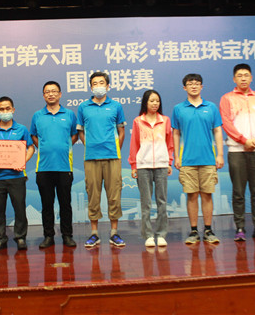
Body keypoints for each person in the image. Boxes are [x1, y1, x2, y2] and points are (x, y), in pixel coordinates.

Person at [219, 64, 255, 241]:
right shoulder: (227, 98)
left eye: (246, 75)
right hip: (237, 151)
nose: (243, 78)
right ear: (234, 79)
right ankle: (240, 228)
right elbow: (226, 123)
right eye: (240, 75)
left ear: (251, 78)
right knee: (238, 192)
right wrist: (243, 140)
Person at [172, 74, 224, 245]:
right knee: (192, 196)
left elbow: (217, 131)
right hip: (187, 160)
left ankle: (208, 230)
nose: (194, 86)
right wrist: (176, 156)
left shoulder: (211, 107)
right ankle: (193, 230)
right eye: (190, 84)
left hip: (208, 159)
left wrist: (220, 154)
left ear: (202, 87)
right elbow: (176, 133)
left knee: (207, 195)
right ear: (184, 87)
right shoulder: (179, 109)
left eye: (197, 83)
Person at [77, 72, 127, 248]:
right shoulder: (83, 107)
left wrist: (115, 149)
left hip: (113, 157)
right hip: (91, 158)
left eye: (102, 83)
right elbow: (80, 131)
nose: (98, 86)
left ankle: (114, 233)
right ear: (91, 87)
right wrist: (90, 145)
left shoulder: (116, 106)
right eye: (95, 83)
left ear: (108, 86)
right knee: (93, 194)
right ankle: (94, 233)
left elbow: (121, 131)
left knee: (114, 195)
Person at [30, 81, 78, 249]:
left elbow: (74, 135)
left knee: (65, 204)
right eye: (47, 92)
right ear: (44, 95)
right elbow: (33, 136)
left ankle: (67, 235)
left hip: (64, 167)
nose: (51, 94)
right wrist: (44, 148)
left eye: (54, 91)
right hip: (44, 168)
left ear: (60, 94)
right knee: (47, 205)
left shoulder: (69, 114)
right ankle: (48, 236)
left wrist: (64, 147)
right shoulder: (37, 115)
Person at [0, 96, 35, 251]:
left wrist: (23, 161)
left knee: (20, 209)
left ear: (13, 110)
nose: (5, 111)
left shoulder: (21, 129)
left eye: (7, 109)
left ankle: (20, 237)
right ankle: (0, 239)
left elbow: (31, 148)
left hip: (17, 177)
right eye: (2, 109)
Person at [128, 89, 174, 248]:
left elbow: (170, 143)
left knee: (162, 201)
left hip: (161, 165)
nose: (155, 104)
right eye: (152, 101)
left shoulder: (165, 120)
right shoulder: (138, 121)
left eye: (157, 101)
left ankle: (161, 234)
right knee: (146, 203)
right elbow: (134, 144)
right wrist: (134, 165)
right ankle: (148, 235)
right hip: (143, 166)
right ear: (145, 103)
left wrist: (169, 162)